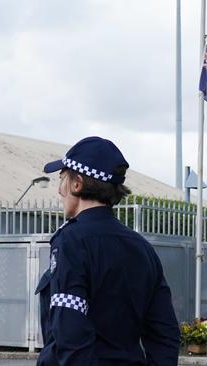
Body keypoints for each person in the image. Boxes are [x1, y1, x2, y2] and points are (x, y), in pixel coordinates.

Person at [35, 136, 180, 366]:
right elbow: (164, 331)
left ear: (77, 183)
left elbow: (70, 328)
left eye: (62, 178)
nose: (59, 190)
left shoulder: (71, 241)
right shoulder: (142, 248)